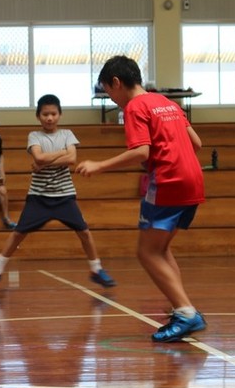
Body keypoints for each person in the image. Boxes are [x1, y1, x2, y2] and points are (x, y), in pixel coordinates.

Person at [76, 56, 207, 342]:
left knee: (147, 252)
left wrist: (100, 165)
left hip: (169, 181)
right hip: (193, 179)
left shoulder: (135, 107)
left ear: (116, 83)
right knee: (160, 250)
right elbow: (196, 143)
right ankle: (182, 307)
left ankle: (186, 313)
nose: (112, 100)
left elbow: (141, 152)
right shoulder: (167, 103)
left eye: (109, 93)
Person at [0, 94, 115, 292]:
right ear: (38, 116)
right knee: (18, 234)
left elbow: (71, 159)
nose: (49, 118)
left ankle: (96, 269)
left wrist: (44, 162)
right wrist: (58, 154)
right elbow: (40, 157)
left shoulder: (68, 134)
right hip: (39, 196)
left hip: (65, 195)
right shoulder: (34, 136)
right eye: (45, 114)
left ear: (59, 115)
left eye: (53, 114)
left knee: (84, 232)